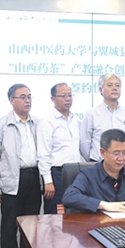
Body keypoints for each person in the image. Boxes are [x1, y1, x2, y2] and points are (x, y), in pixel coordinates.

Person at [0, 84, 43, 248]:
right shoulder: (0, 125)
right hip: (12, 180)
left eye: (29, 96)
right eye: (22, 97)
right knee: (9, 227)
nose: (27, 100)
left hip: (33, 177)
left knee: (31, 227)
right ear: (11, 100)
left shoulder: (38, 123)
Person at [63, 129, 125, 213]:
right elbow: (69, 197)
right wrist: (102, 205)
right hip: (97, 220)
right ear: (103, 152)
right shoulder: (88, 175)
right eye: (116, 153)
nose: (121, 158)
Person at [37, 83, 81, 214]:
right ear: (53, 99)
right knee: (55, 214)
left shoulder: (76, 120)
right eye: (63, 96)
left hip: (75, 172)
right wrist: (48, 181)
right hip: (57, 174)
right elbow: (43, 154)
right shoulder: (47, 121)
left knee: (75, 212)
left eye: (70, 95)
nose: (68, 99)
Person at [80, 73, 125, 162]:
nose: (114, 88)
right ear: (100, 90)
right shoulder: (92, 114)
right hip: (98, 163)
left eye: (117, 85)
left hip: (122, 163)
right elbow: (84, 143)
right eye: (110, 85)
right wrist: (93, 161)